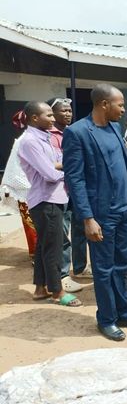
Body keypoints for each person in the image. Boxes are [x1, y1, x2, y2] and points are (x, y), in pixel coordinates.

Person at [63, 84, 127, 341]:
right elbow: (75, 180)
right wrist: (88, 218)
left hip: (123, 211)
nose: (124, 109)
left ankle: (124, 311)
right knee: (103, 269)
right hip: (100, 216)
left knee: (120, 266)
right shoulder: (77, 133)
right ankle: (107, 319)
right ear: (104, 104)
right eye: (120, 104)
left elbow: (125, 171)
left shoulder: (114, 129)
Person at [18, 101, 81, 307]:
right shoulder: (30, 141)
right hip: (47, 200)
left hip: (54, 197)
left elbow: (54, 164)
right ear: (35, 118)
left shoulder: (43, 137)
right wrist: (68, 167)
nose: (53, 119)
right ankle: (58, 292)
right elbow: (50, 174)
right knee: (53, 248)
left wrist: (59, 165)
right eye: (49, 115)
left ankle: (39, 289)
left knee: (44, 245)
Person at [47, 97, 87, 292]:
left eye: (70, 110)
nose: (68, 114)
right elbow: (51, 165)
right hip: (58, 191)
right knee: (62, 235)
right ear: (52, 113)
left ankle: (80, 268)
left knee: (81, 229)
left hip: (76, 189)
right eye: (63, 110)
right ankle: (63, 275)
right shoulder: (49, 136)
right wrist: (74, 162)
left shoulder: (73, 133)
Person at [0, 126, 37, 262]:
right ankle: (36, 254)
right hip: (25, 188)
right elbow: (15, 168)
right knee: (31, 224)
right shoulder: (22, 141)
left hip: (41, 187)